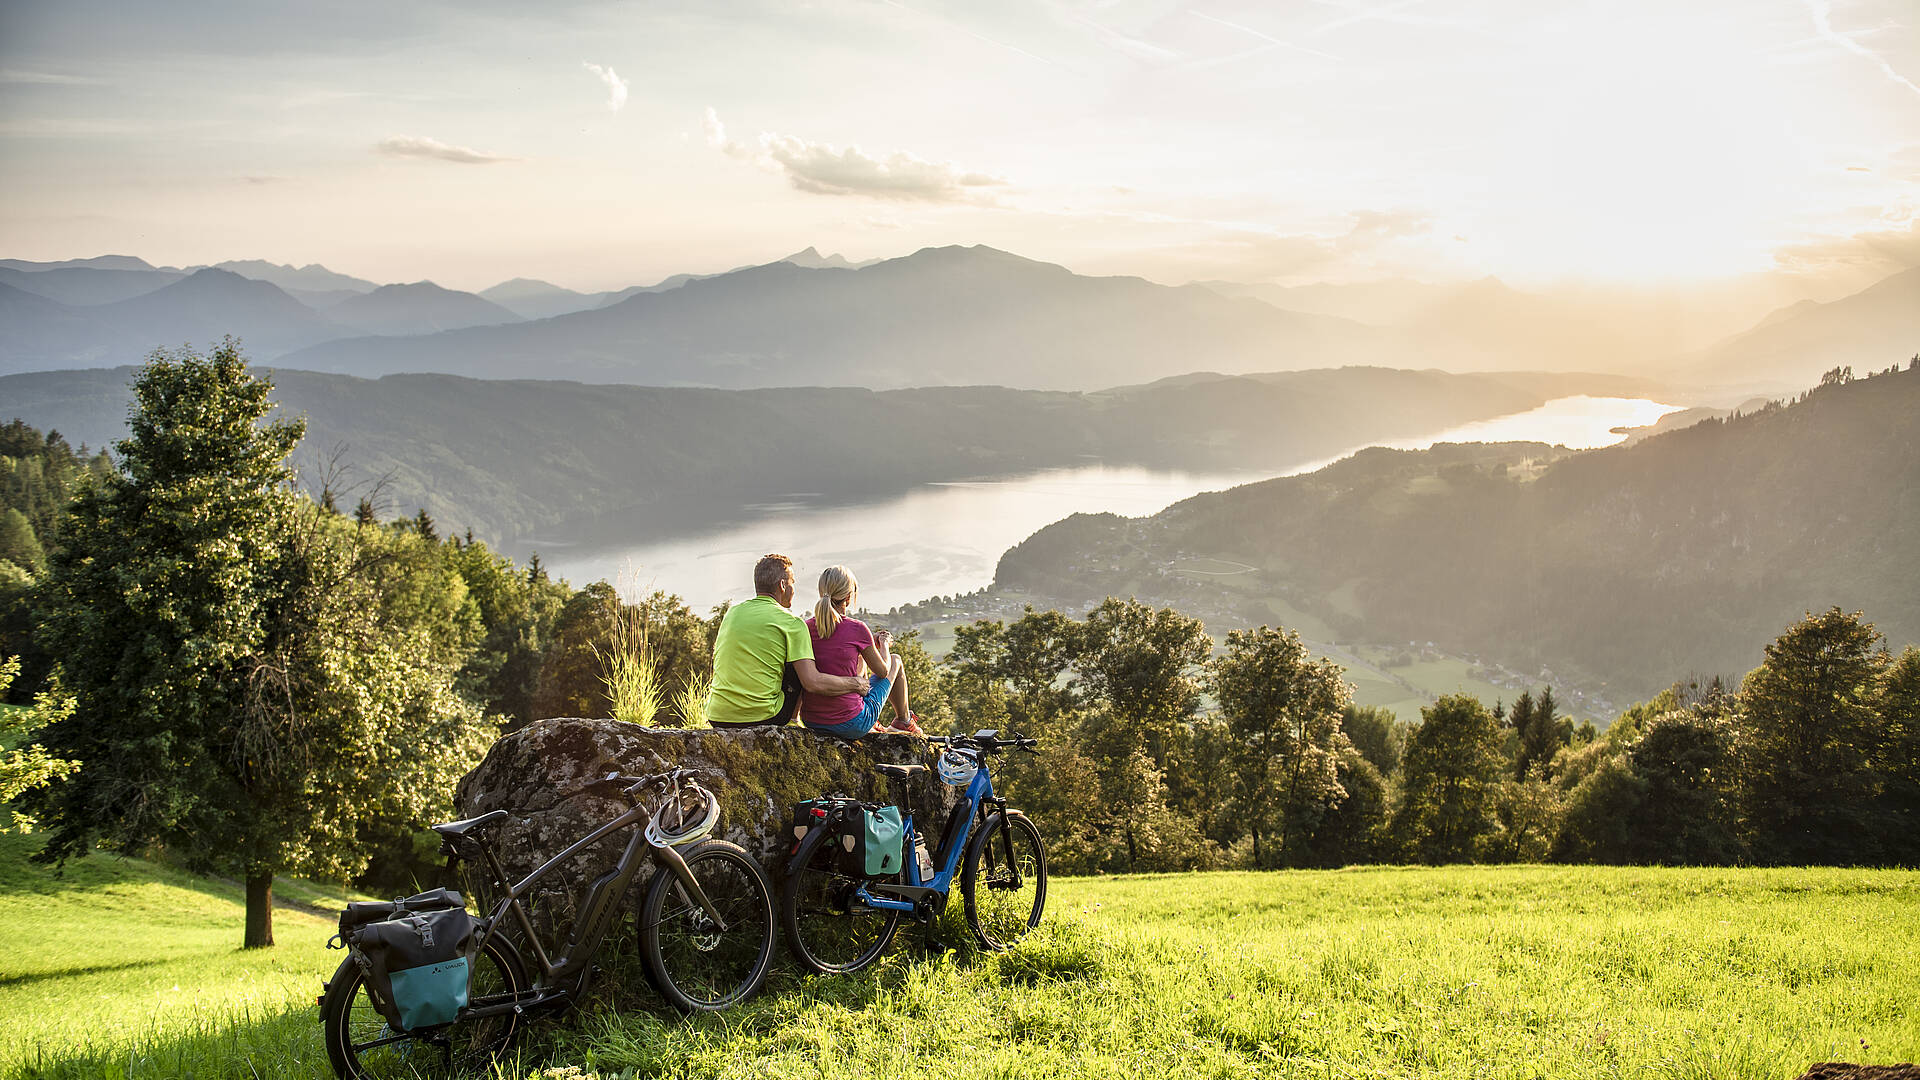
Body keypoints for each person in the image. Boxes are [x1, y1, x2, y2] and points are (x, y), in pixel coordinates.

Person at [708, 553, 869, 727]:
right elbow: (812, 682)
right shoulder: (792, 623)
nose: (794, 589)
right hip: (762, 717)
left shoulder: (732, 613)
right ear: (783, 585)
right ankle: (793, 720)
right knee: (799, 664)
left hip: (717, 716)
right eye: (793, 582)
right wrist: (856, 684)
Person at [801, 565, 925, 740]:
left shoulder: (805, 628)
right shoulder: (857, 628)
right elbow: (883, 671)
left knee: (860, 662)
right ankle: (903, 721)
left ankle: (890, 721)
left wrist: (864, 646)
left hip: (812, 721)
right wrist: (884, 645)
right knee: (895, 660)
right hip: (852, 723)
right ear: (849, 597)